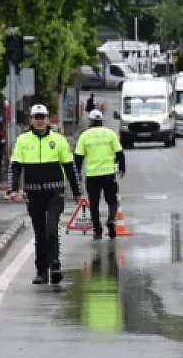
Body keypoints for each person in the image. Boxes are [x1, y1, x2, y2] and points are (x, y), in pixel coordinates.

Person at [9, 104, 82, 285]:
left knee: (51, 229)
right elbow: (15, 167)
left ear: (48, 119)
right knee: (40, 233)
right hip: (33, 194)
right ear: (31, 120)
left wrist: (77, 191)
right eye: (37, 117)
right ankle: (41, 270)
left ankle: (55, 264)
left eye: (43, 117)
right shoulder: (23, 140)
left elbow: (69, 167)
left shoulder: (59, 140)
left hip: (54, 192)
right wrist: (12, 189)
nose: (40, 121)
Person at [74, 109, 125, 240]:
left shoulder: (85, 136)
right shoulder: (110, 134)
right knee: (112, 200)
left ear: (90, 121)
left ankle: (97, 229)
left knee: (94, 204)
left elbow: (78, 157)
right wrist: (122, 168)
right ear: (101, 120)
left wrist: (77, 173)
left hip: (92, 175)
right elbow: (119, 152)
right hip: (108, 174)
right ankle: (111, 220)